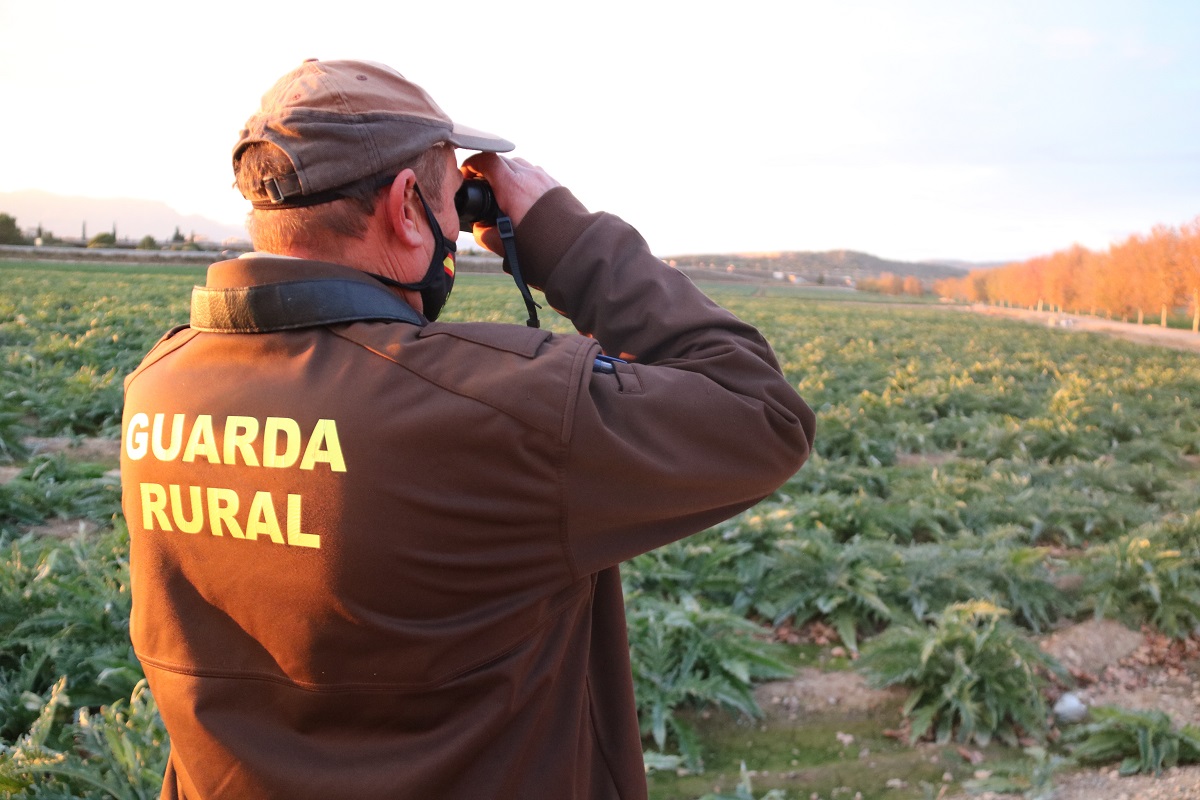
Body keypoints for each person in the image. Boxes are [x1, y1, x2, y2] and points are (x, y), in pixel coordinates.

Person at [120, 58, 816, 800]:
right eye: (455, 198)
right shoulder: (495, 408)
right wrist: (562, 235)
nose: (460, 222)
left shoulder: (160, 386)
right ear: (406, 208)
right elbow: (760, 410)